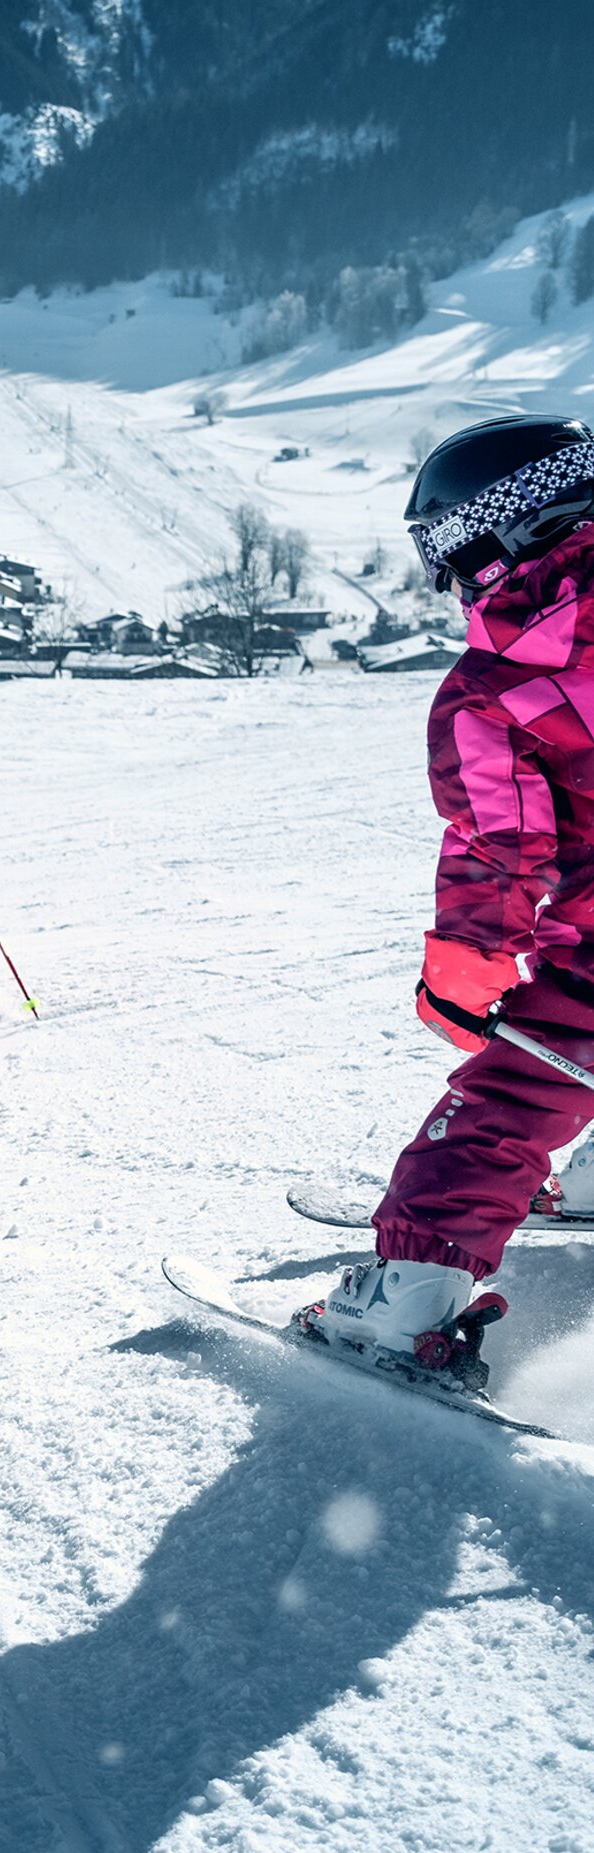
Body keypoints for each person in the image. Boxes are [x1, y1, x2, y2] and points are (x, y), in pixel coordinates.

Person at [300, 415, 594, 1391]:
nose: (450, 585)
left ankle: (410, 1294)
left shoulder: (501, 684)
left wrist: (467, 970)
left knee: (517, 1090)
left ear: (504, 537)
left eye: (453, 557)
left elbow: (500, 847)